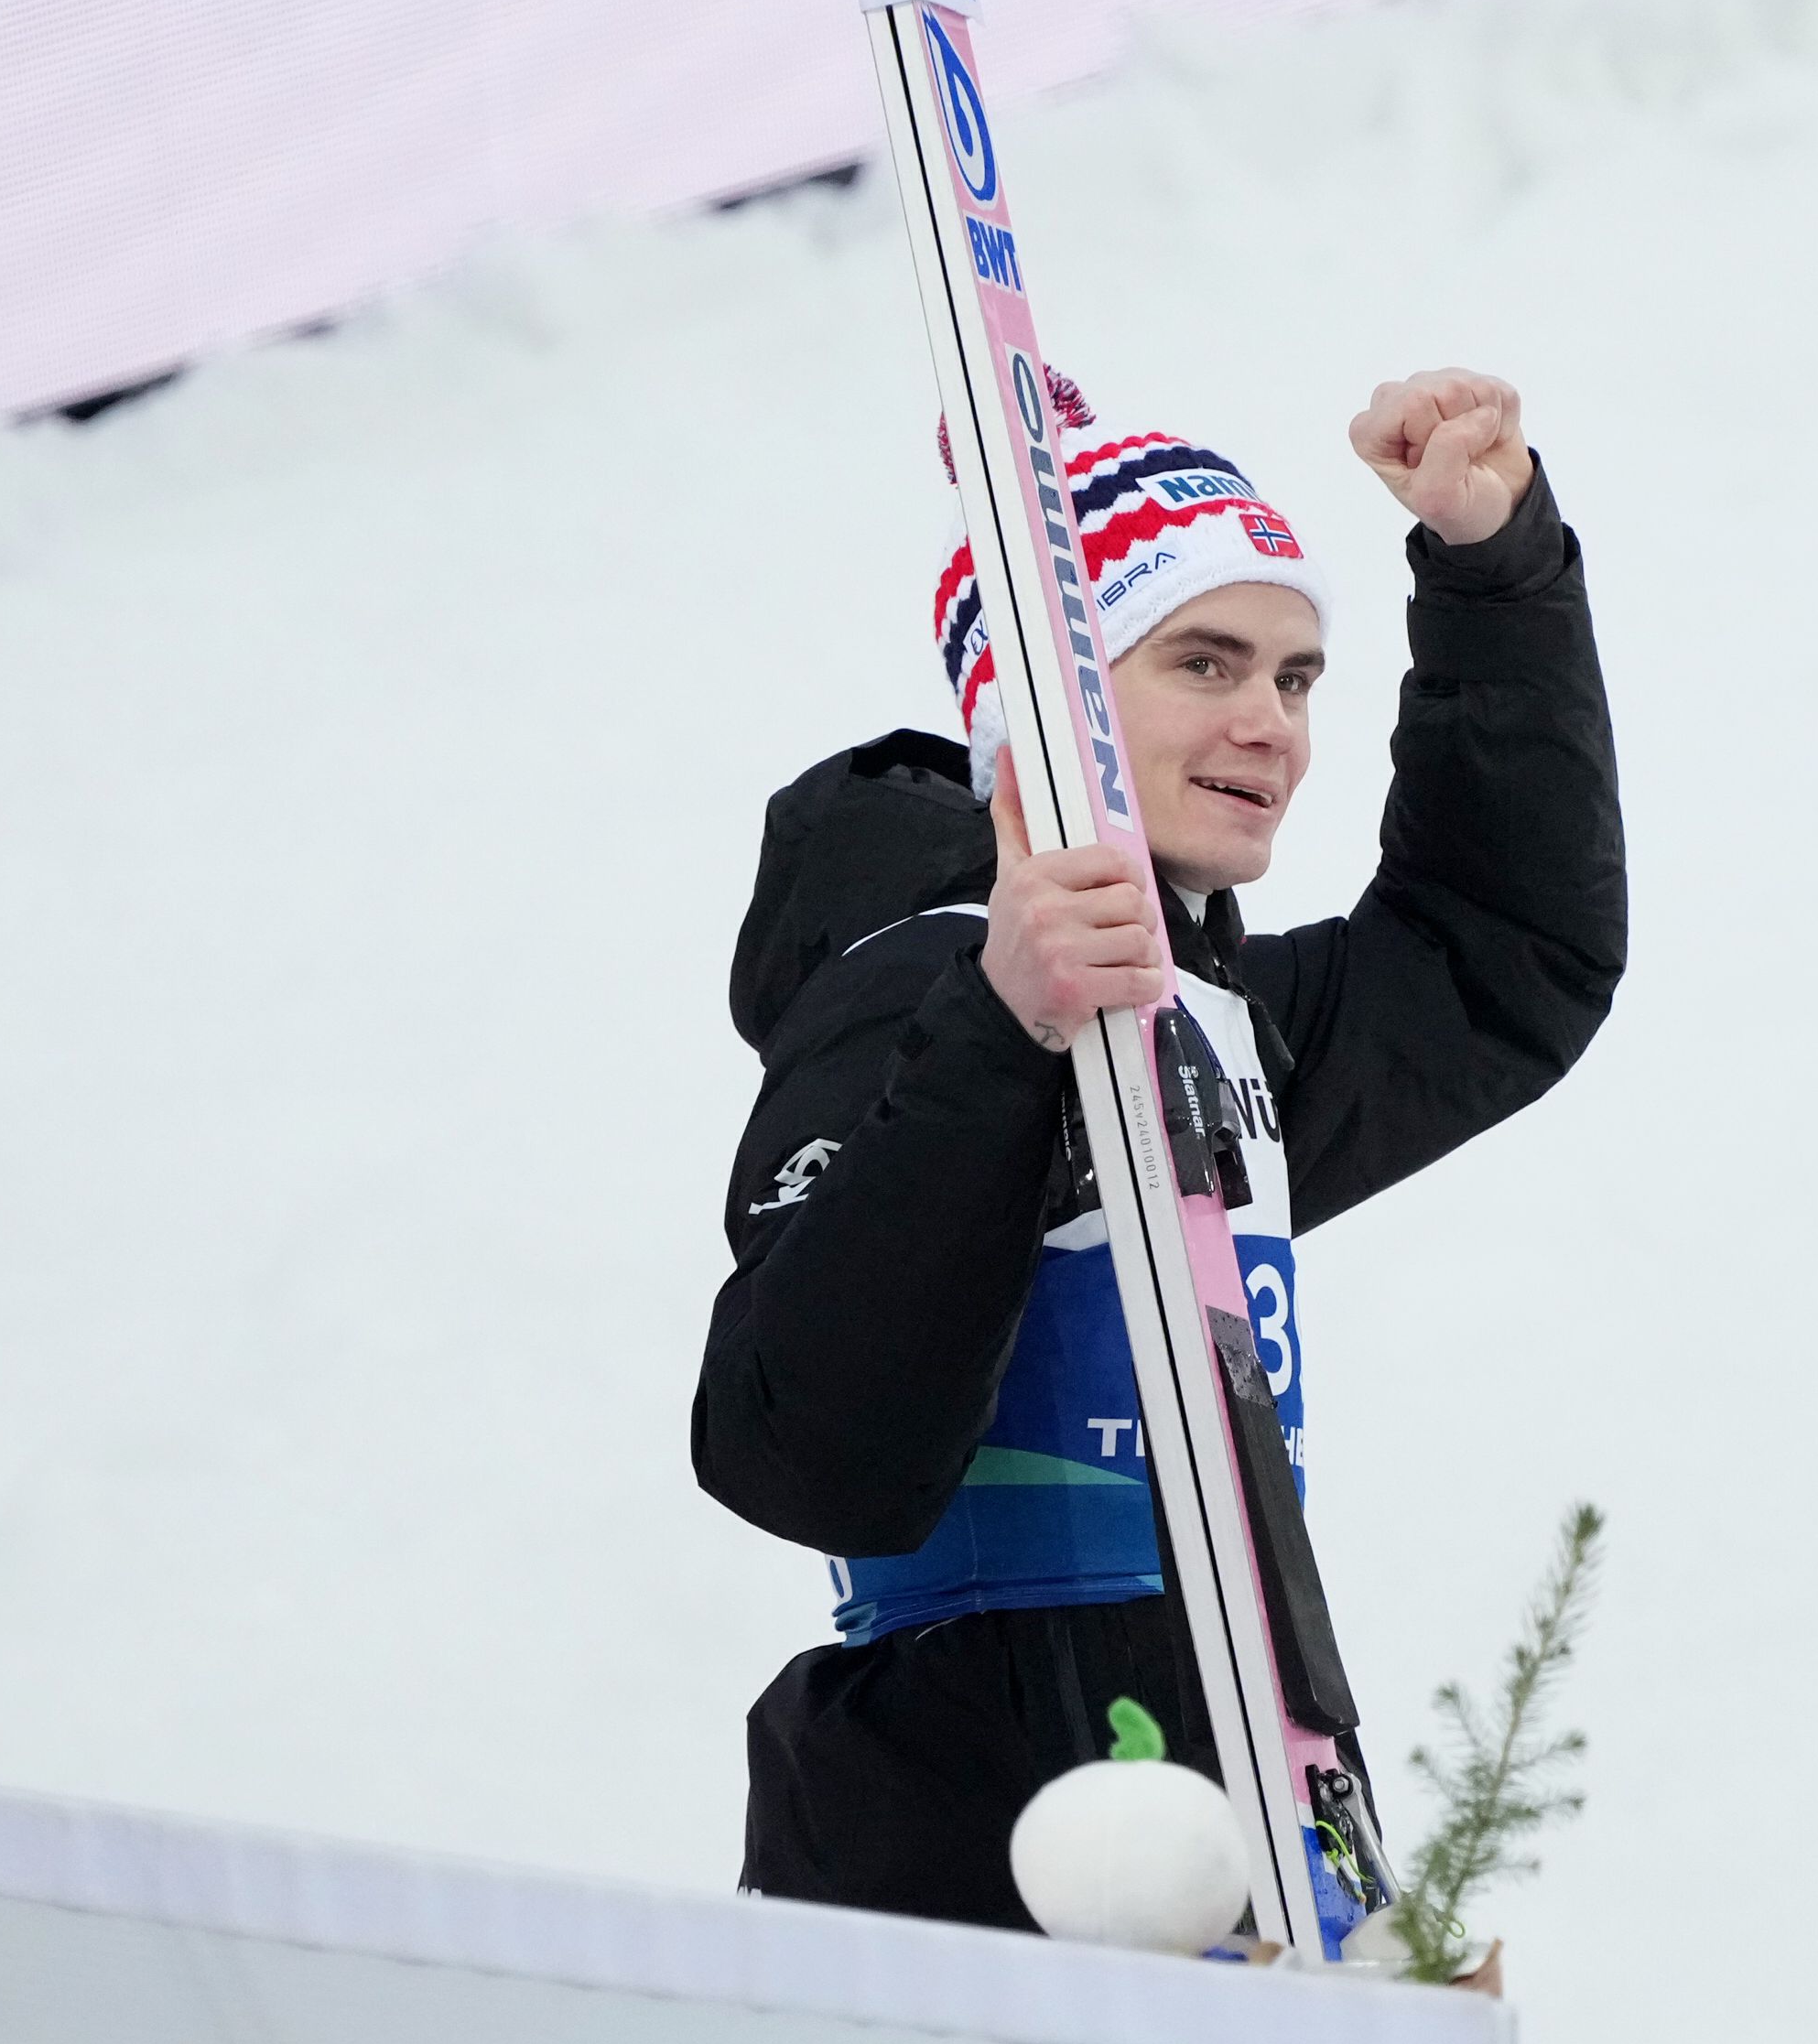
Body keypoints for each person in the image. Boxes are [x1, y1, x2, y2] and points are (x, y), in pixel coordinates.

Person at [694, 367, 1624, 1927]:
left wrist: (1494, 573)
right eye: (1207, 662)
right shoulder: (913, 981)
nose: (1273, 725)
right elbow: (795, 1444)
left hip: (1254, 1835)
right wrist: (1004, 1027)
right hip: (982, 1873)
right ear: (1049, 704)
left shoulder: (1213, 1015)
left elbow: (1499, 952)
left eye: (1298, 678)